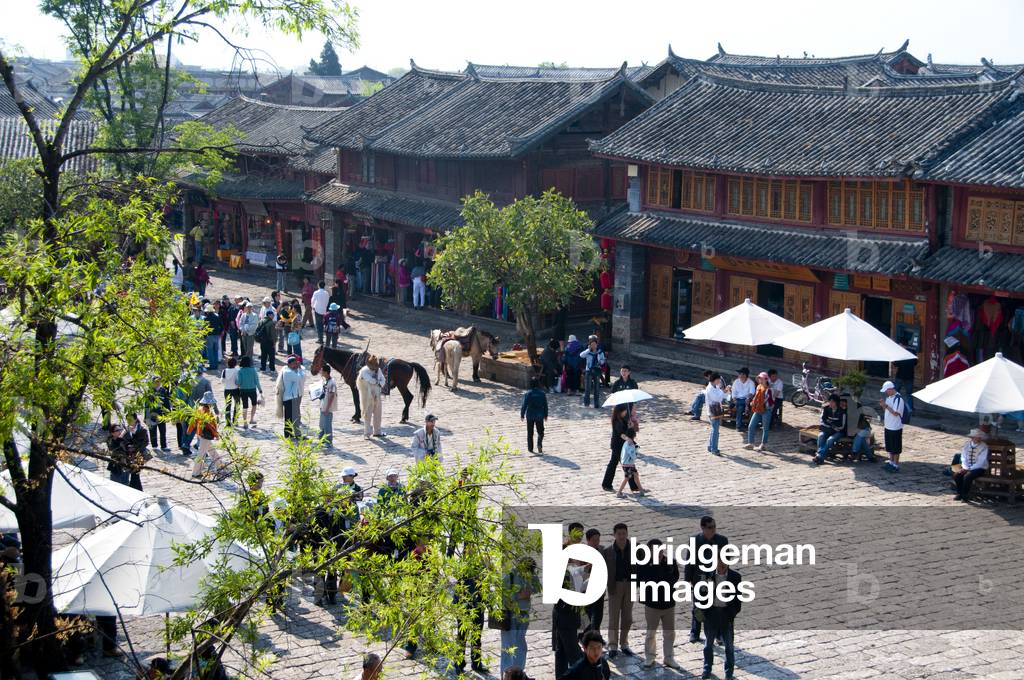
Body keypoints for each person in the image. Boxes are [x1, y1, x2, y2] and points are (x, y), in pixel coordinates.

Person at [638, 538, 680, 669]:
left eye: (660, 550)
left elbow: (675, 577)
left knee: (669, 632)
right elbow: (641, 581)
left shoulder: (671, 562)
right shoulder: (644, 564)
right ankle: (650, 657)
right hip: (652, 604)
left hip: (668, 603)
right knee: (651, 632)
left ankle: (669, 657)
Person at [686, 515, 728, 644]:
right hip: (700, 579)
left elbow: (726, 561)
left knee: (718, 607)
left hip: (716, 579)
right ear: (703, 528)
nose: (713, 529)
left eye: (714, 526)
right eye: (710, 527)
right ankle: (695, 632)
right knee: (698, 607)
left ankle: (718, 634)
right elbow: (690, 562)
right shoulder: (695, 540)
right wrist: (689, 580)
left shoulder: (722, 540)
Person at [702, 560, 743, 680]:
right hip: (712, 614)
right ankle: (707, 668)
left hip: (726, 615)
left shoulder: (735, 577)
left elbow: (738, 599)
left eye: (724, 562)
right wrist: (704, 612)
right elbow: (701, 594)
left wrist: (731, 614)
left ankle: (729, 672)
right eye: (719, 562)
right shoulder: (707, 575)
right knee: (708, 645)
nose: (722, 565)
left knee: (729, 646)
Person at [601, 523, 634, 658]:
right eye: (619, 534)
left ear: (627, 533)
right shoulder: (608, 551)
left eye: (624, 533)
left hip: (630, 585)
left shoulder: (635, 549)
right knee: (614, 617)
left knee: (627, 617)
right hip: (615, 586)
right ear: (614, 535)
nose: (622, 536)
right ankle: (613, 644)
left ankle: (624, 643)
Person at [499, 558, 537, 677]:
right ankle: (507, 676)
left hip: (523, 615)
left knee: (521, 648)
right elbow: (503, 598)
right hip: (511, 616)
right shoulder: (509, 577)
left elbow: (538, 586)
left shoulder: (531, 574)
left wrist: (531, 590)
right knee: (508, 649)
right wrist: (518, 595)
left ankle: (518, 675)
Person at [601, 405, 638, 492]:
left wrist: (630, 427)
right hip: (618, 446)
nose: (626, 412)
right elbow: (621, 434)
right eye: (624, 411)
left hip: (620, 445)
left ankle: (606, 484)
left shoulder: (622, 419)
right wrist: (629, 439)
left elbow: (626, 431)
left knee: (614, 464)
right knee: (628, 464)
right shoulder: (617, 421)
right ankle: (634, 486)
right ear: (620, 411)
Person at [189, 392, 224, 479]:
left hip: (201, 433)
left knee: (211, 450)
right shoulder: (207, 412)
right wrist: (216, 434)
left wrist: (189, 430)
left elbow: (194, 421)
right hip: (206, 435)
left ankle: (220, 466)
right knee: (201, 454)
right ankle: (196, 472)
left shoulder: (199, 409)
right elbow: (210, 425)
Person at [953, 429, 989, 501]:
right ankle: (959, 493)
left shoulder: (984, 446)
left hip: (980, 468)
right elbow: (963, 457)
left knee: (967, 476)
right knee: (957, 475)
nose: (978, 438)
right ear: (972, 438)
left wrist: (970, 469)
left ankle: (965, 495)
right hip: (967, 467)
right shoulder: (967, 445)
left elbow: (981, 461)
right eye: (976, 437)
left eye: (979, 437)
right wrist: (965, 467)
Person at [812, 395, 847, 465]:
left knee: (830, 440)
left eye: (832, 402)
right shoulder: (826, 408)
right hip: (828, 430)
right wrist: (832, 425)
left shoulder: (842, 412)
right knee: (821, 436)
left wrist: (830, 422)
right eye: (829, 401)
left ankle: (819, 456)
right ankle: (820, 457)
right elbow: (824, 420)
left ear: (836, 402)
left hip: (839, 432)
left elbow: (841, 426)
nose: (830, 403)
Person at [357, 355, 386, 438]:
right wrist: (377, 382)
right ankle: (367, 433)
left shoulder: (378, 370)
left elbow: (383, 380)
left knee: (378, 414)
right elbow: (370, 380)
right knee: (367, 414)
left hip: (377, 394)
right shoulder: (364, 370)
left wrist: (379, 383)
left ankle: (377, 431)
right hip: (367, 396)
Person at [880, 381, 906, 472]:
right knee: (890, 446)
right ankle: (891, 462)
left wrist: (886, 406)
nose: (886, 392)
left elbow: (895, 413)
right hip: (888, 426)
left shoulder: (898, 399)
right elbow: (886, 410)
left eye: (887, 390)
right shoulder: (889, 398)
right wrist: (883, 405)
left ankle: (895, 464)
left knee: (896, 447)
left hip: (895, 427)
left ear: (891, 389)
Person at [744, 371, 774, 451]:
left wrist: (763, 402)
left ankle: (763, 444)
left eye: (761, 378)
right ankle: (751, 443)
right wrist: (754, 402)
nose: (759, 379)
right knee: (751, 426)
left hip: (766, 410)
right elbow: (756, 397)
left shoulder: (769, 390)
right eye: (759, 378)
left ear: (765, 379)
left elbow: (771, 402)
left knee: (765, 428)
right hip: (757, 410)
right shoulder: (758, 387)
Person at [278, 355, 305, 441]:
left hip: (288, 397)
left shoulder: (286, 370)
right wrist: (299, 369)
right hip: (291, 398)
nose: (295, 365)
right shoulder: (289, 372)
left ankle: (288, 434)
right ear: (289, 364)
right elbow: (300, 378)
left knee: (289, 417)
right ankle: (296, 434)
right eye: (294, 364)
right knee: (294, 417)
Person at [583, 528, 604, 634]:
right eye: (594, 540)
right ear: (588, 540)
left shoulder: (602, 550)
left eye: (598, 540)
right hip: (586, 588)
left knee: (599, 613)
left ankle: (596, 633)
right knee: (588, 613)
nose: (596, 542)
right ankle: (587, 634)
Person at [520, 378, 548, 454]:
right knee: (540, 432)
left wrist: (522, 414)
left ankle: (530, 448)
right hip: (539, 415)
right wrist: (546, 415)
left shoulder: (528, 393)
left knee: (530, 432)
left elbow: (524, 405)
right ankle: (539, 444)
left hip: (530, 415)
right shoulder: (542, 394)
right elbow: (545, 405)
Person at [616, 428, 645, 498]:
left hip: (627, 463)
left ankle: (641, 491)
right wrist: (636, 451)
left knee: (635, 475)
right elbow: (633, 456)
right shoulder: (630, 444)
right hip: (628, 464)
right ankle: (619, 493)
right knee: (627, 478)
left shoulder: (626, 441)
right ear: (634, 435)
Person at [145, 376, 171, 452]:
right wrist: (146, 417)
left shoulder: (164, 391)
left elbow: (167, 403)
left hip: (161, 414)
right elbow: (146, 405)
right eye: (156, 381)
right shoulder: (150, 391)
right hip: (151, 414)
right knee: (152, 431)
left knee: (163, 431)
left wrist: (168, 414)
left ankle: (164, 446)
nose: (158, 383)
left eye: (159, 381)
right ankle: (154, 446)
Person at [236, 355, 263, 428]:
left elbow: (239, 382)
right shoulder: (253, 370)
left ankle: (245, 422)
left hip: (243, 390)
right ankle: (251, 419)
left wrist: (236, 383)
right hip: (252, 390)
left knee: (245, 406)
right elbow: (257, 381)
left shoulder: (240, 371)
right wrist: (260, 389)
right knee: (254, 405)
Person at [579, 335, 606, 408]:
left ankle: (596, 404)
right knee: (587, 388)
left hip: (597, 371)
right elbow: (581, 355)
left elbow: (603, 361)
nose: (593, 345)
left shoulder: (600, 352)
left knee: (597, 388)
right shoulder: (588, 352)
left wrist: (600, 361)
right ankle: (586, 404)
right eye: (592, 344)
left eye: (595, 344)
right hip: (589, 371)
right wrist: (588, 350)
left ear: (597, 344)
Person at [705, 373, 725, 455]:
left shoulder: (715, 387)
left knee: (714, 429)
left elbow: (720, 395)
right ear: (714, 380)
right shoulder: (710, 388)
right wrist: (723, 392)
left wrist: (724, 391)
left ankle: (710, 446)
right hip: (712, 411)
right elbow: (716, 398)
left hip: (716, 410)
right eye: (718, 379)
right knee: (715, 430)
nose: (719, 381)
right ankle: (714, 449)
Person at [319, 365, 338, 448]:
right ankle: (322, 438)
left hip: (327, 408)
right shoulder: (325, 381)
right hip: (323, 406)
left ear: (326, 372)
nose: (320, 372)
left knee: (327, 425)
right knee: (322, 424)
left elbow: (331, 396)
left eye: (322, 370)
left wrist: (327, 409)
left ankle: (328, 441)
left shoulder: (332, 383)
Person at [731, 367, 754, 432]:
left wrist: (748, 400)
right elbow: (733, 393)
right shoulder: (736, 382)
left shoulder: (750, 382)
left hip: (747, 400)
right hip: (737, 400)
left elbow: (751, 393)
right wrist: (735, 400)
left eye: (742, 374)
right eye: (739, 374)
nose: (740, 375)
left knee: (740, 407)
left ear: (745, 375)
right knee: (740, 407)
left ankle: (738, 426)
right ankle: (738, 426)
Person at [256, 308, 277, 373]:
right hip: (269, 342)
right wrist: (274, 342)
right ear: (269, 315)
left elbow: (257, 330)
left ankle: (263, 368)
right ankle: (272, 369)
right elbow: (273, 334)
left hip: (262, 341)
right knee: (271, 356)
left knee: (263, 355)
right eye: (272, 315)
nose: (273, 316)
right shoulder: (271, 323)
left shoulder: (261, 321)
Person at [221, 356, 240, 427]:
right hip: (235, 389)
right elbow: (238, 381)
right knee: (237, 405)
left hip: (227, 390)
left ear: (227, 364)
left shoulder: (224, 371)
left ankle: (228, 422)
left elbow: (222, 381)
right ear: (235, 364)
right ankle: (235, 420)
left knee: (228, 406)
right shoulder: (237, 371)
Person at [202, 303, 222, 370]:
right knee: (215, 351)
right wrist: (219, 333)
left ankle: (212, 365)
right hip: (216, 336)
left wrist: (204, 336)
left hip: (209, 336)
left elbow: (204, 328)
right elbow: (221, 326)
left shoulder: (206, 318)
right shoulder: (217, 316)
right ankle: (215, 365)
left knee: (210, 351)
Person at [311, 280, 331, 344]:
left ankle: (320, 339)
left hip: (317, 310)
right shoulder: (327, 293)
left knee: (318, 325)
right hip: (324, 310)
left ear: (318, 285)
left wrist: (313, 307)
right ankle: (322, 338)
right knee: (322, 324)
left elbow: (312, 301)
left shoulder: (316, 292)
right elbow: (327, 301)